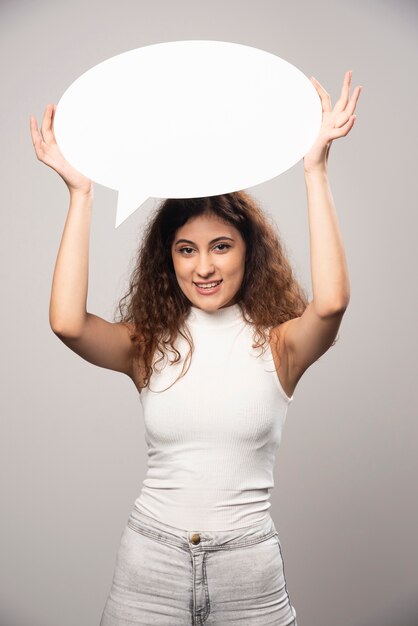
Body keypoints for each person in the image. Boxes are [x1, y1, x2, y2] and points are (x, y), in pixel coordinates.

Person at [30, 69, 362, 626]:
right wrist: (81, 192)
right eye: (186, 250)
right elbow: (67, 323)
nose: (203, 266)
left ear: (247, 253)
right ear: (170, 260)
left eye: (220, 247)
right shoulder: (149, 343)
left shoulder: (280, 344)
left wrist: (316, 170)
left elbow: (329, 305)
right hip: (149, 569)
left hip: (248, 575)